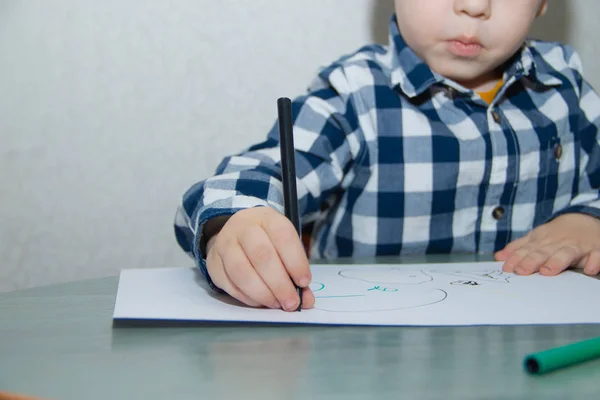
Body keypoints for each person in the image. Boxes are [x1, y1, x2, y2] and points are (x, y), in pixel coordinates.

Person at [174, 0, 600, 312]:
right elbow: (257, 171)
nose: (474, 6)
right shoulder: (353, 94)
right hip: (367, 356)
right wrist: (231, 222)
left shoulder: (567, 87)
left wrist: (589, 219)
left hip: (535, 349)